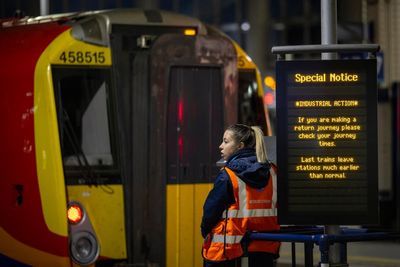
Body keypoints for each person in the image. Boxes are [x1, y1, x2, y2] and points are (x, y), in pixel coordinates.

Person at [201, 124, 280, 267]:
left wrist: (205, 230)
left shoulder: (228, 175)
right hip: (265, 244)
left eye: (226, 141)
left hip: (228, 247)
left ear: (240, 146)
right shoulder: (273, 172)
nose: (221, 146)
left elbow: (210, 211)